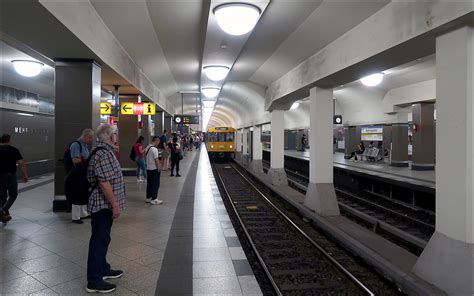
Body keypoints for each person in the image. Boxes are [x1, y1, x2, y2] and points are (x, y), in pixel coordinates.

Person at [86, 124, 126, 293]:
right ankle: (94, 281)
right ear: (110, 136)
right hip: (102, 205)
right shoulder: (103, 153)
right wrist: (115, 204)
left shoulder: (106, 151)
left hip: (105, 205)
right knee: (99, 240)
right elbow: (103, 182)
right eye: (115, 133)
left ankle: (103, 269)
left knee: (104, 238)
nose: (117, 136)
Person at [0, 134, 29, 223]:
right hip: (10, 175)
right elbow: (21, 163)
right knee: (13, 195)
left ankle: (5, 216)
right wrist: (25, 174)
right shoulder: (13, 150)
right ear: (9, 140)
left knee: (2, 196)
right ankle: (3, 210)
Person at [70, 129, 94, 224]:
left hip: (83, 173)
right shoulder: (76, 145)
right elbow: (75, 160)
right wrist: (86, 160)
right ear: (84, 136)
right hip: (77, 174)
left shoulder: (84, 145)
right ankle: (75, 217)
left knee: (83, 192)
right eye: (89, 138)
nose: (90, 140)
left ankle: (83, 213)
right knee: (77, 193)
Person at [145, 136, 163, 205]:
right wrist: (159, 168)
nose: (158, 144)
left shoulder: (147, 147)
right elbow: (156, 159)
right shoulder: (154, 149)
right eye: (158, 142)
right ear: (156, 140)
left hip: (148, 168)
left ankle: (148, 198)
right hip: (154, 169)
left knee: (149, 184)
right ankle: (154, 199)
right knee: (155, 184)